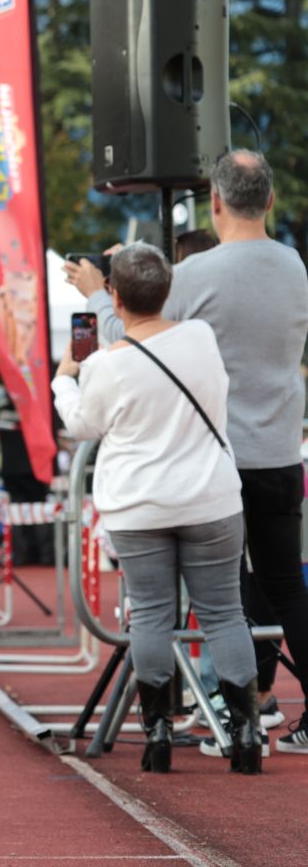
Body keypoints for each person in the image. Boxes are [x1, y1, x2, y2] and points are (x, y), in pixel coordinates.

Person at [70, 150, 308, 745]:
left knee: (217, 600)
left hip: (217, 465)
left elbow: (129, 336)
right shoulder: (296, 266)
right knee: (282, 586)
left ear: (216, 203)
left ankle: (228, 713)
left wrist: (100, 294)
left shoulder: (197, 276)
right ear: (271, 202)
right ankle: (259, 710)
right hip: (282, 453)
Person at [54, 243, 261, 773]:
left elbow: (82, 426)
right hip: (211, 499)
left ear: (114, 298)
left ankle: (158, 736)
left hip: (139, 506)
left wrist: (62, 380)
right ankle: (245, 736)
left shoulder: (104, 364)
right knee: (224, 612)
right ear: (168, 291)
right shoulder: (201, 338)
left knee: (150, 615)